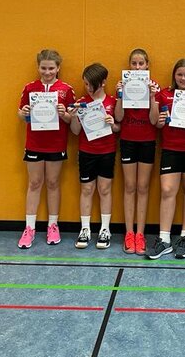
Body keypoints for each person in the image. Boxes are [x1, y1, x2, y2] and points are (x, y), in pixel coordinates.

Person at [16, 49, 76, 249]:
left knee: (52, 182)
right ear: (38, 67)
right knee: (34, 183)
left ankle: (53, 225)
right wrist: (23, 112)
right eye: (44, 68)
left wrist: (64, 113)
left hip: (56, 143)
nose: (47, 72)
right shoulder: (30, 88)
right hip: (34, 142)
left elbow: (72, 119)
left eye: (51, 68)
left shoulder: (66, 89)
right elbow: (20, 113)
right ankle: (29, 228)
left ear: (58, 68)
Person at [147, 59, 185, 260]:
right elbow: (155, 121)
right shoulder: (164, 94)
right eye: (180, 74)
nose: (183, 78)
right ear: (174, 76)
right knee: (168, 190)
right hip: (170, 149)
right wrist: (160, 120)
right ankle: (164, 239)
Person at [69, 63, 120, 250]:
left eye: (92, 84)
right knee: (87, 189)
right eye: (86, 84)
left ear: (103, 82)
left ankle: (105, 229)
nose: (88, 88)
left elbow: (118, 128)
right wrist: (74, 116)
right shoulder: (82, 102)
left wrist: (112, 124)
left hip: (107, 151)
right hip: (86, 152)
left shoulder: (112, 102)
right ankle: (85, 229)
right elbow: (75, 131)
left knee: (105, 189)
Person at [114, 48, 159, 255]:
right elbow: (118, 117)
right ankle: (129, 233)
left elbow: (154, 121)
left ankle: (140, 234)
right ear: (129, 65)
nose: (138, 67)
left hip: (147, 141)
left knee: (143, 187)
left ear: (147, 65)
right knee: (130, 186)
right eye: (134, 63)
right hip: (128, 141)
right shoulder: (122, 85)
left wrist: (152, 96)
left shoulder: (153, 86)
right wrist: (120, 95)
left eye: (141, 63)